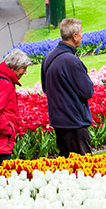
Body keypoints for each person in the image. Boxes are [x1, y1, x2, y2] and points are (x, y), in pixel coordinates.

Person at [41, 18, 95, 157]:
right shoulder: (72, 62)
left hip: (58, 122)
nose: (82, 35)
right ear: (74, 36)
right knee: (84, 167)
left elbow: (46, 89)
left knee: (66, 167)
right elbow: (87, 91)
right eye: (81, 32)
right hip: (74, 122)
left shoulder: (48, 58)